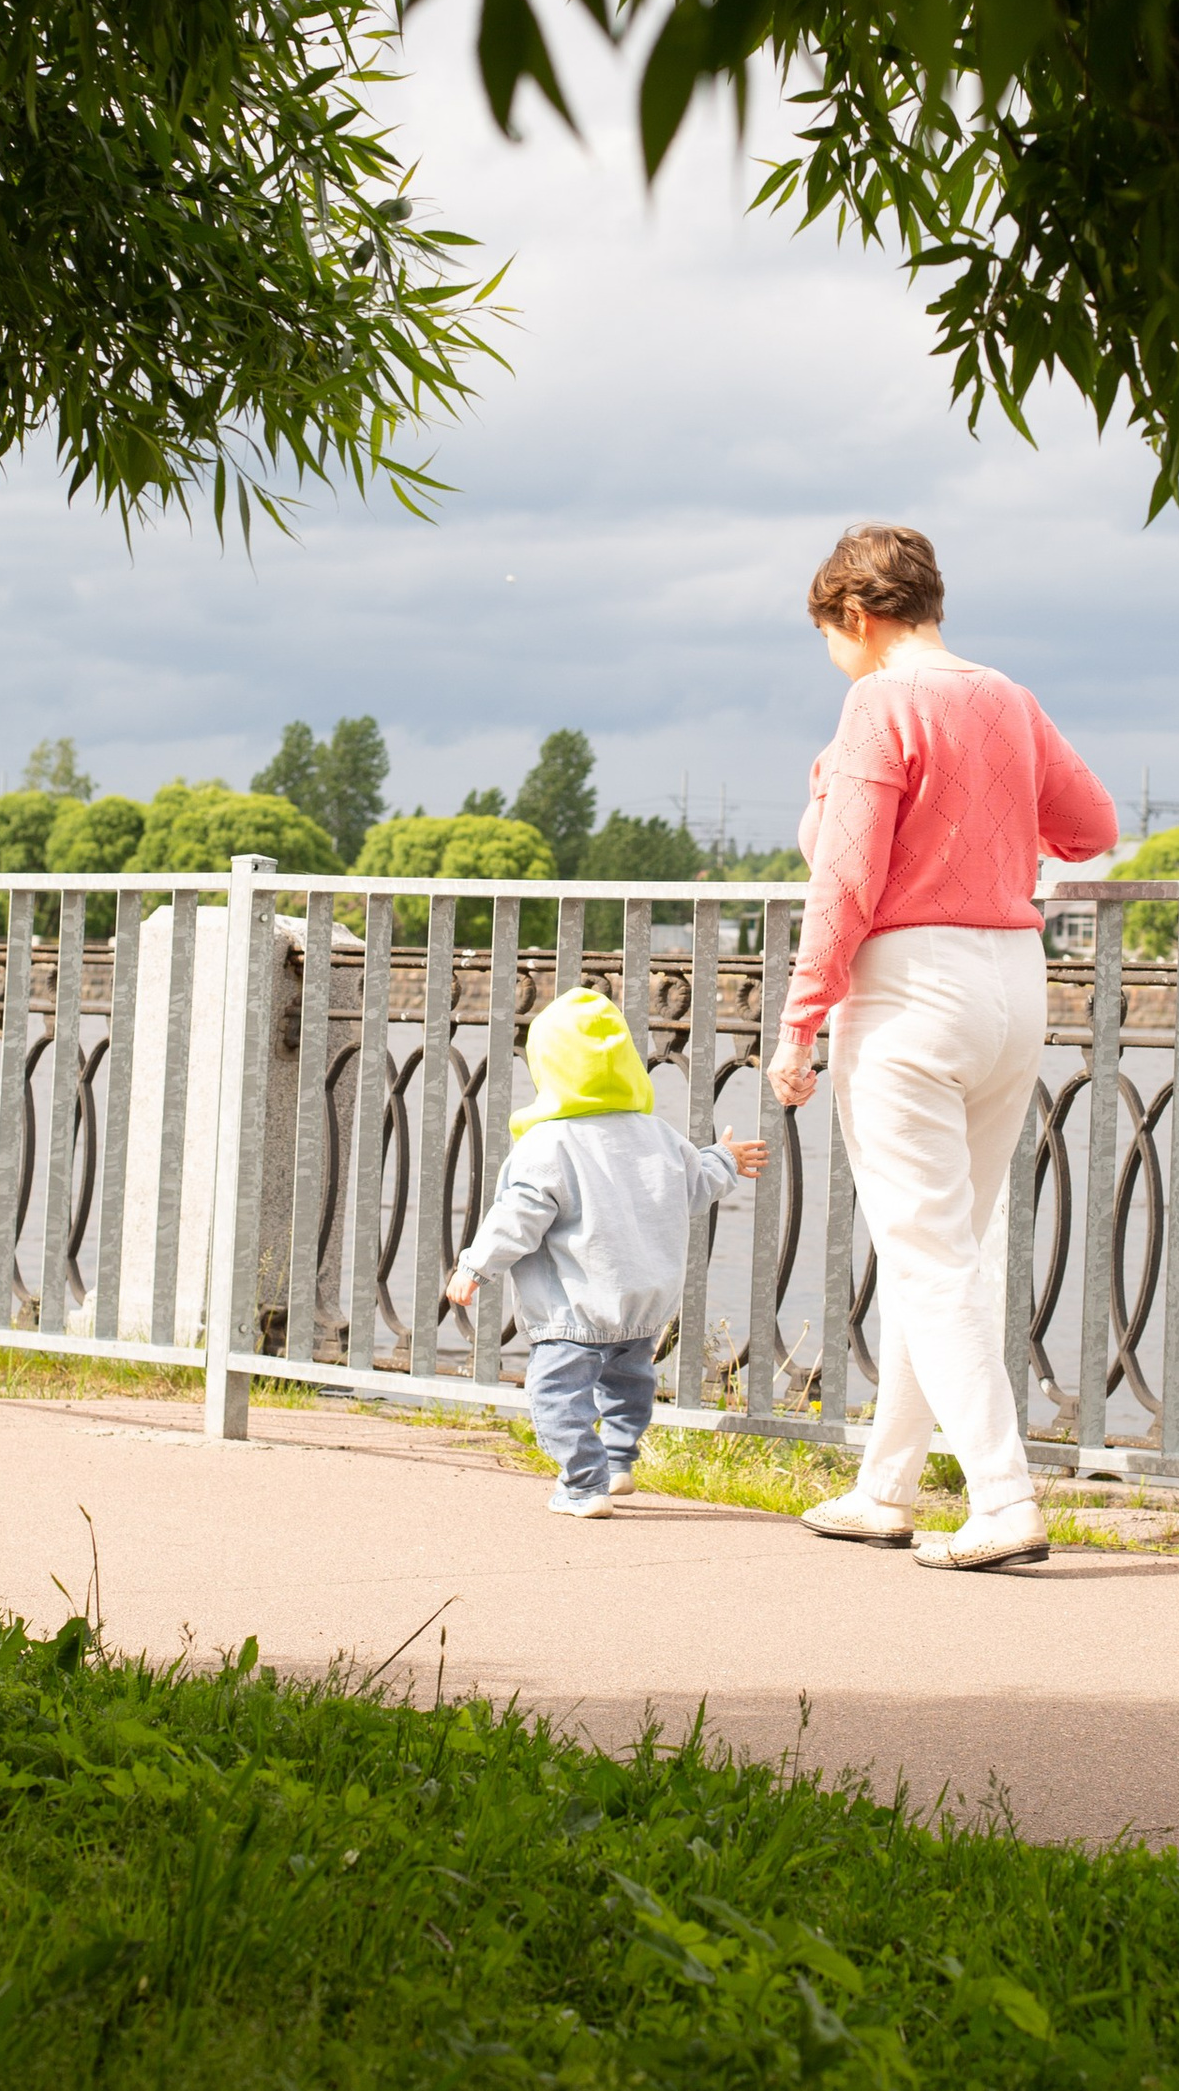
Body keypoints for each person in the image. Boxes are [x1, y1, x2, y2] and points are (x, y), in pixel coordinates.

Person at [771, 523, 1118, 1571]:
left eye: (829, 631)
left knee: (925, 1256)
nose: (834, 650)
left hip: (911, 987)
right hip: (1013, 982)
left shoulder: (877, 700)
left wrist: (796, 1025)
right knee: (947, 1250)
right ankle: (886, 1486)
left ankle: (1004, 1497)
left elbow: (843, 883)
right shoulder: (1005, 695)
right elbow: (1091, 823)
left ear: (857, 617)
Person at [448, 986, 767, 1517]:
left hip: (574, 1309)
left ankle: (583, 1484)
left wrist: (476, 1266)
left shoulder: (547, 1145)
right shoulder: (657, 1134)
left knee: (557, 1397)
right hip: (643, 1305)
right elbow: (695, 1182)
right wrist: (726, 1159)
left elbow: (518, 1219)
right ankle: (619, 1463)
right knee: (628, 1388)